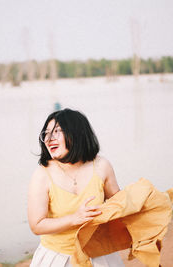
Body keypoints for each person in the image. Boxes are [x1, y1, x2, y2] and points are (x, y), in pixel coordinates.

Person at [27, 108, 125, 266]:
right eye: (46, 133)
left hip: (99, 255)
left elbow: (119, 205)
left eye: (57, 131)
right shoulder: (42, 174)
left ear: (77, 134)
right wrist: (74, 219)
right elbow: (36, 225)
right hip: (58, 258)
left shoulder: (101, 166)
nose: (49, 138)